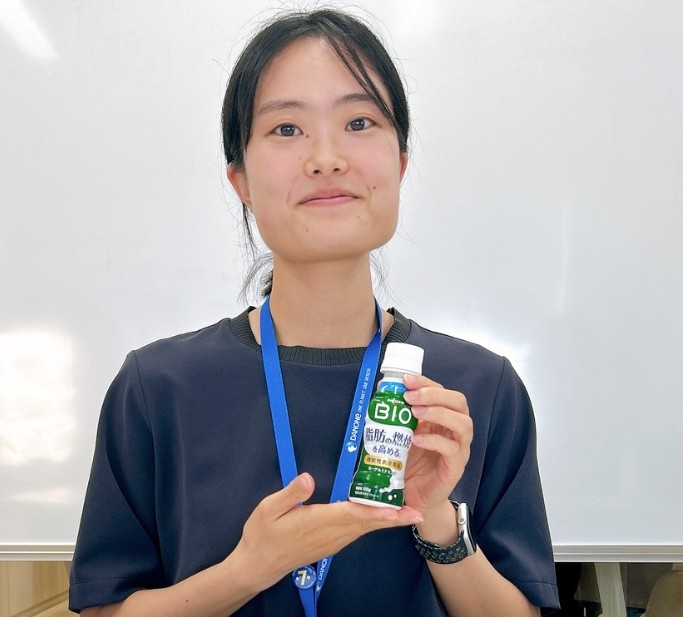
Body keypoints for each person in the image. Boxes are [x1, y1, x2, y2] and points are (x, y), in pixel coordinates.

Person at [68, 8, 560, 617]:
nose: (326, 158)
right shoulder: (156, 387)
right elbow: (105, 609)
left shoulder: (477, 389)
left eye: (359, 122)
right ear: (240, 180)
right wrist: (247, 571)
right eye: (286, 129)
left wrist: (436, 519)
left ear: (401, 164)